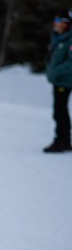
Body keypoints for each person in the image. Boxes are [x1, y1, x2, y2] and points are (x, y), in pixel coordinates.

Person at [45, 10, 72, 153]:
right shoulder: (58, 37)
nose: (55, 24)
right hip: (58, 80)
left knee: (59, 111)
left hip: (65, 81)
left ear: (65, 23)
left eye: (58, 21)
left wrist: (55, 71)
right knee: (60, 110)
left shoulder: (69, 39)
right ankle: (65, 141)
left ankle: (60, 140)